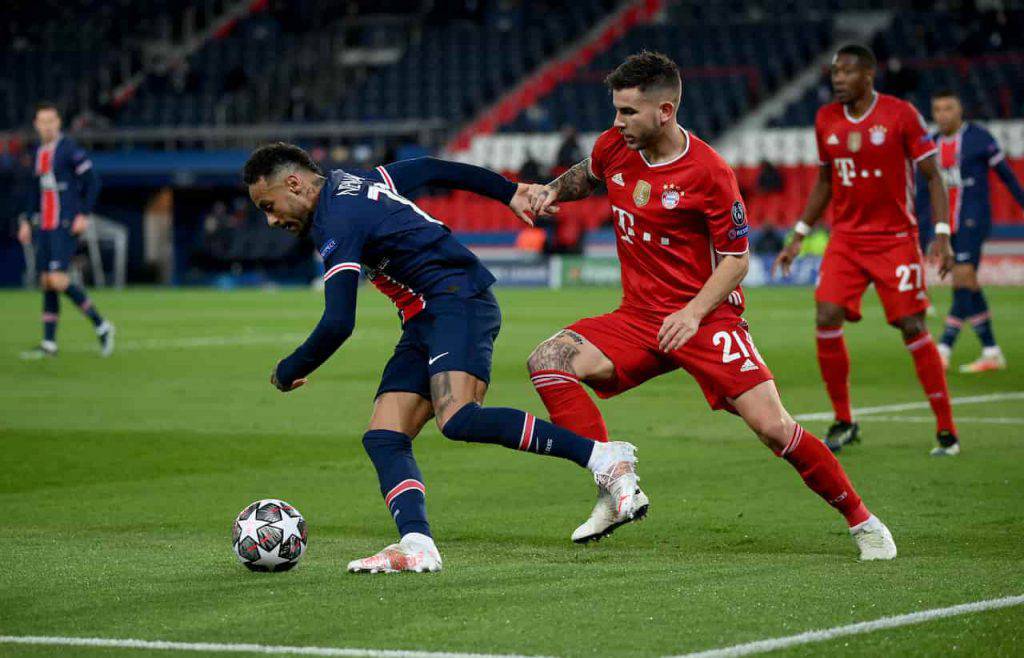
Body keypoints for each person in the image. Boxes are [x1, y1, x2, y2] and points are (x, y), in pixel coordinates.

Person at [525, 51, 896, 560]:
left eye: (628, 112)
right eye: (615, 110)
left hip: (706, 317)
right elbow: (588, 174)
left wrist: (693, 312)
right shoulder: (615, 146)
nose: (617, 123)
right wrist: (550, 192)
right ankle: (614, 483)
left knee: (773, 427)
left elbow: (737, 261)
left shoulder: (709, 172)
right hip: (638, 317)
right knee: (548, 360)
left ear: (666, 111)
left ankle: (863, 521)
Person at [243, 144, 647, 574]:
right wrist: (507, 191)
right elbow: (431, 168)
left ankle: (605, 457)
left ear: (294, 183)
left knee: (458, 418)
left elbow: (339, 321)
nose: (271, 219)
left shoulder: (336, 220)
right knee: (384, 436)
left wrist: (289, 370)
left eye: (269, 206)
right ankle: (417, 543)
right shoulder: (354, 183)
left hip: (457, 299)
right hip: (424, 317)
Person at [772, 45, 958, 457]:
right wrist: (800, 233)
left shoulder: (901, 114)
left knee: (911, 325)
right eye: (834, 72)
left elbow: (934, 176)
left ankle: (946, 428)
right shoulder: (825, 118)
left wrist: (942, 233)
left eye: (846, 72)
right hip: (847, 240)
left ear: (868, 75)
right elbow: (825, 180)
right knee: (826, 314)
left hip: (895, 240)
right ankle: (844, 419)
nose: (837, 78)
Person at [921, 89, 1024, 373]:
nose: (942, 115)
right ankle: (991, 351)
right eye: (938, 109)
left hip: (973, 220)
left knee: (963, 277)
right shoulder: (931, 144)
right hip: (946, 226)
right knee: (968, 285)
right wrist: (929, 232)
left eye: (948, 108)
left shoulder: (979, 138)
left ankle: (943, 348)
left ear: (960, 111)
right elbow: (924, 192)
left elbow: (1007, 176)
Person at [18, 102, 114, 359]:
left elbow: (93, 181)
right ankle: (49, 344)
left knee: (57, 279)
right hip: (45, 225)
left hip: (64, 222)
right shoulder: (38, 152)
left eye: (51, 120)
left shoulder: (69, 149)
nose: (47, 125)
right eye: (42, 121)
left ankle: (101, 325)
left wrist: (83, 213)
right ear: (36, 125)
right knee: (46, 281)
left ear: (58, 123)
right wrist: (27, 221)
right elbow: (34, 191)